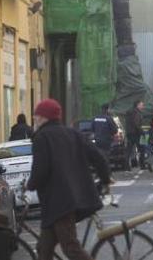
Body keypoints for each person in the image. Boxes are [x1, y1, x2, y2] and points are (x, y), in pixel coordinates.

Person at [26, 99, 111, 260]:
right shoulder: (73, 134)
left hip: (60, 204)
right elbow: (98, 157)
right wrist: (105, 179)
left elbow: (40, 170)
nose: (34, 119)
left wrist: (29, 185)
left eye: (37, 115)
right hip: (70, 200)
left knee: (71, 248)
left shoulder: (41, 138)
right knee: (44, 248)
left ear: (44, 118)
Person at [125, 100, 144, 171]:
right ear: (137, 105)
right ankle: (142, 165)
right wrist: (141, 132)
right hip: (137, 134)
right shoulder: (137, 113)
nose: (143, 107)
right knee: (142, 149)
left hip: (129, 133)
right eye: (142, 105)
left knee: (129, 150)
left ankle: (126, 166)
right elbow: (136, 124)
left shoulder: (129, 112)